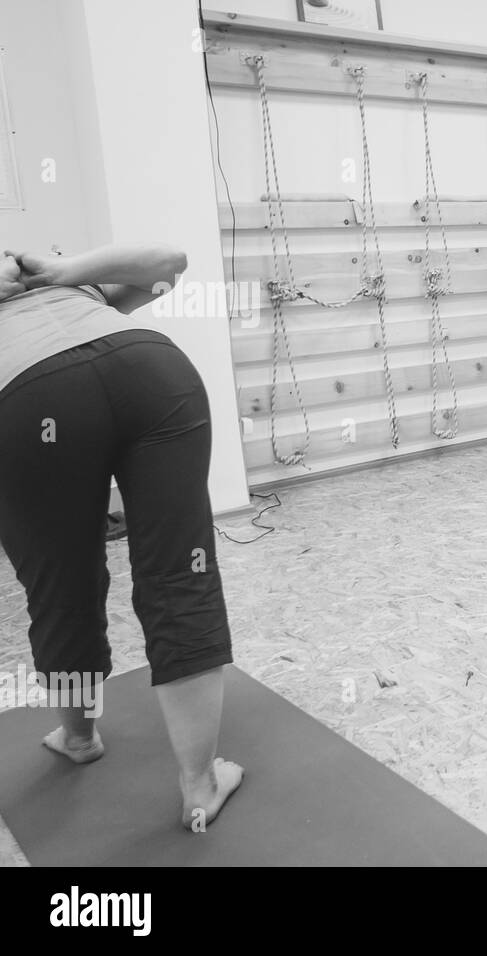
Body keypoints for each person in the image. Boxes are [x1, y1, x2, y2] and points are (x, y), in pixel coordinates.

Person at [0, 244, 242, 826]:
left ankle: (79, 737)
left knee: (61, 583)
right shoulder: (80, 291)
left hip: (30, 399)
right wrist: (65, 274)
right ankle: (200, 784)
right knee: (180, 573)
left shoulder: (73, 284)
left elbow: (171, 263)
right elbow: (166, 262)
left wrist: (60, 272)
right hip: (152, 375)